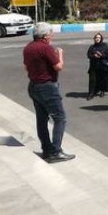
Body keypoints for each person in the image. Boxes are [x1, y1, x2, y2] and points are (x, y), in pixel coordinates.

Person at [23, 22, 75, 163]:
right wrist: (60, 54)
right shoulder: (46, 48)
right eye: (51, 33)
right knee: (60, 118)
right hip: (47, 87)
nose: (52, 36)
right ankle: (56, 151)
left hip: (33, 86)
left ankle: (46, 149)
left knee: (42, 120)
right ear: (45, 35)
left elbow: (26, 66)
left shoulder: (28, 48)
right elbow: (58, 66)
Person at [86, 32, 108, 100]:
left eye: (99, 38)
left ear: (101, 39)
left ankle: (102, 91)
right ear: (94, 39)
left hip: (102, 65)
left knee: (102, 79)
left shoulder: (105, 46)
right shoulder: (92, 47)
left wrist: (101, 55)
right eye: (96, 37)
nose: (97, 39)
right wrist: (94, 56)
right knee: (92, 80)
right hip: (93, 66)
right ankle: (91, 93)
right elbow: (88, 55)